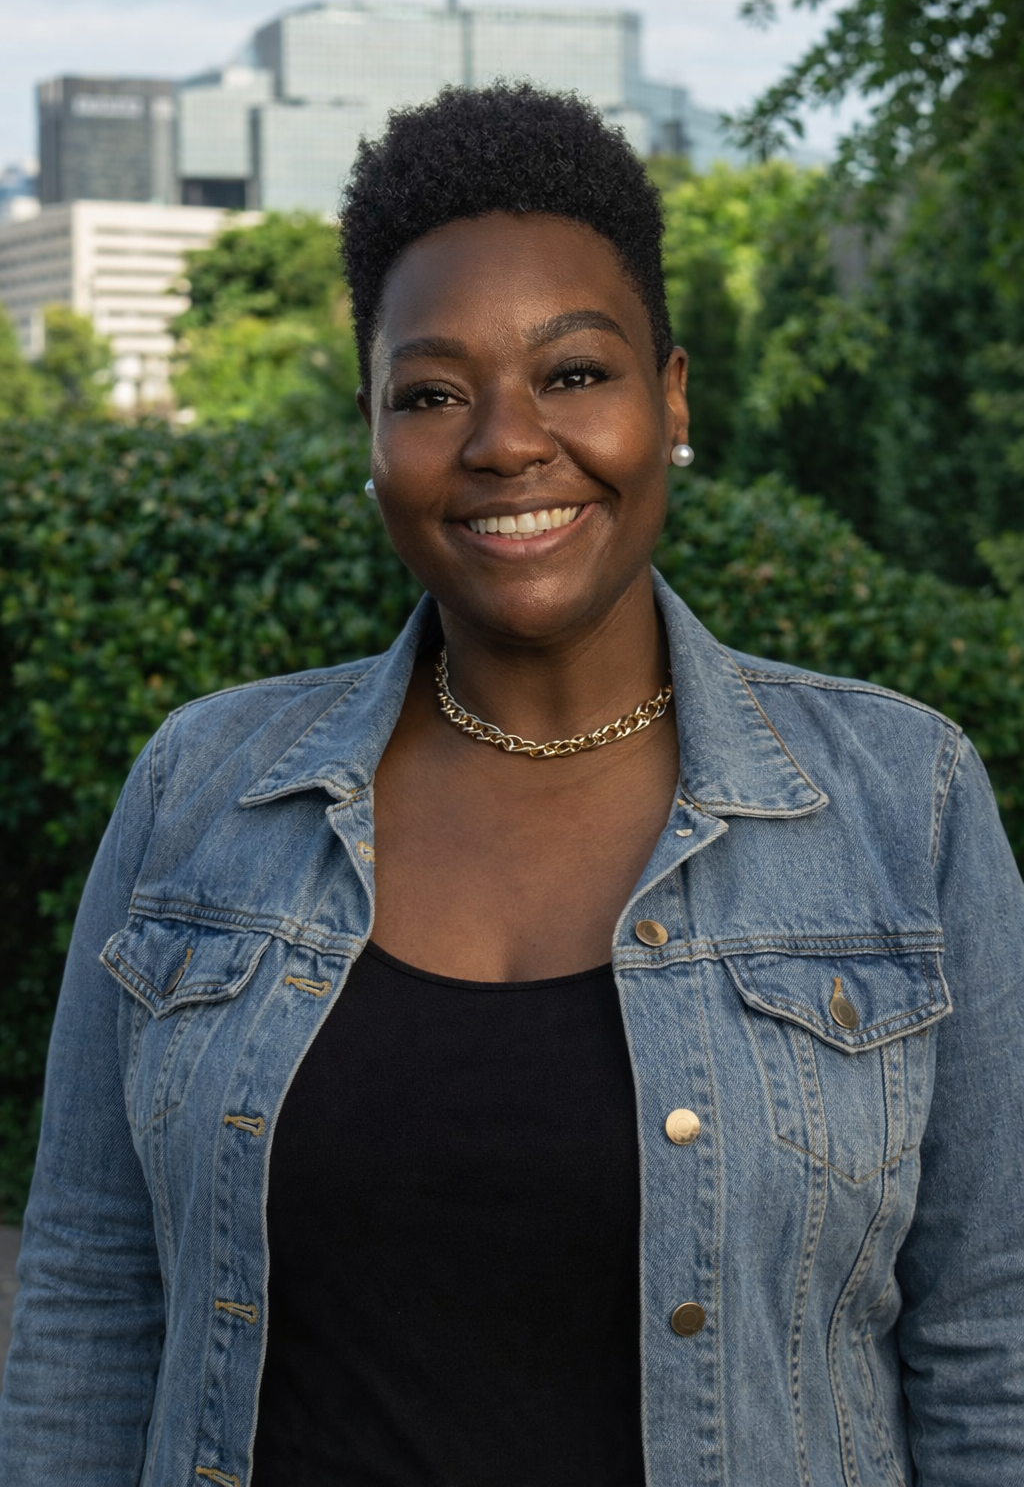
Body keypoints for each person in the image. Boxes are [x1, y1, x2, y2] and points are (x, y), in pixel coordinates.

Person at [0, 82, 1021, 1487]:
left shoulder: (908, 803)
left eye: (575, 373)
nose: (503, 439)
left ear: (670, 399)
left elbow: (993, 1343)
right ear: (369, 436)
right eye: (430, 393)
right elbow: (89, 1297)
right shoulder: (200, 793)